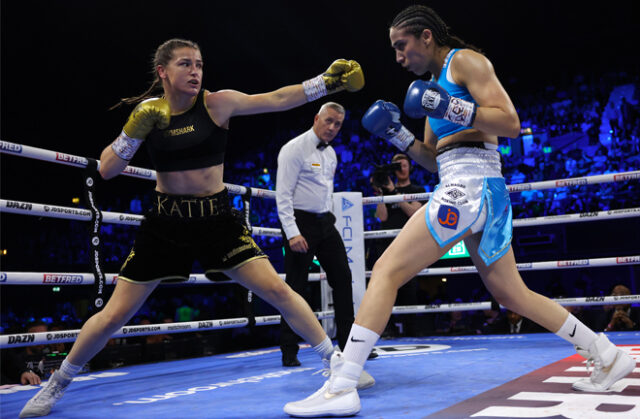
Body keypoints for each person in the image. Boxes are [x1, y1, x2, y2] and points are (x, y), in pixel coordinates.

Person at [283, 6, 635, 417]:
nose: (398, 57)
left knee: (387, 270)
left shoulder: (466, 62)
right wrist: (398, 134)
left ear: (427, 36)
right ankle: (606, 353)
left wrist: (451, 107)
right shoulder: (431, 88)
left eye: (402, 45)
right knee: (510, 293)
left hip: (471, 186)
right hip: (465, 185)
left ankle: (343, 383)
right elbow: (433, 158)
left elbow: (510, 123)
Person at [20, 38, 365, 418]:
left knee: (277, 290)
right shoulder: (149, 113)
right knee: (115, 315)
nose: (196, 71)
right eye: (185, 64)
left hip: (217, 220)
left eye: (199, 64)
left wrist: (325, 83)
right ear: (163, 72)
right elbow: (106, 169)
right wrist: (134, 130)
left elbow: (278, 98)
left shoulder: (217, 103)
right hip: (164, 224)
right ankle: (57, 384)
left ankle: (336, 363)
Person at [275, 102, 374, 388]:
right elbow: (282, 195)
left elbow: (322, 193)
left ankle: (350, 348)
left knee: (343, 279)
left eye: (338, 124)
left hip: (325, 222)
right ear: (317, 118)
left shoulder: (331, 154)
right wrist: (292, 232)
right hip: (299, 222)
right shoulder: (293, 149)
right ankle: (288, 351)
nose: (332, 128)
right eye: (328, 121)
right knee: (294, 287)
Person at [370, 153, 426, 336]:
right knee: (385, 287)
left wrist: (394, 193)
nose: (401, 168)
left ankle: (412, 330)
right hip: (386, 245)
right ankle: (388, 329)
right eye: (396, 165)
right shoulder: (386, 191)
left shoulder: (417, 189)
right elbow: (382, 217)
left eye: (403, 165)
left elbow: (414, 213)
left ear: (410, 167)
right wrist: (379, 193)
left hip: (409, 246)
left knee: (409, 290)